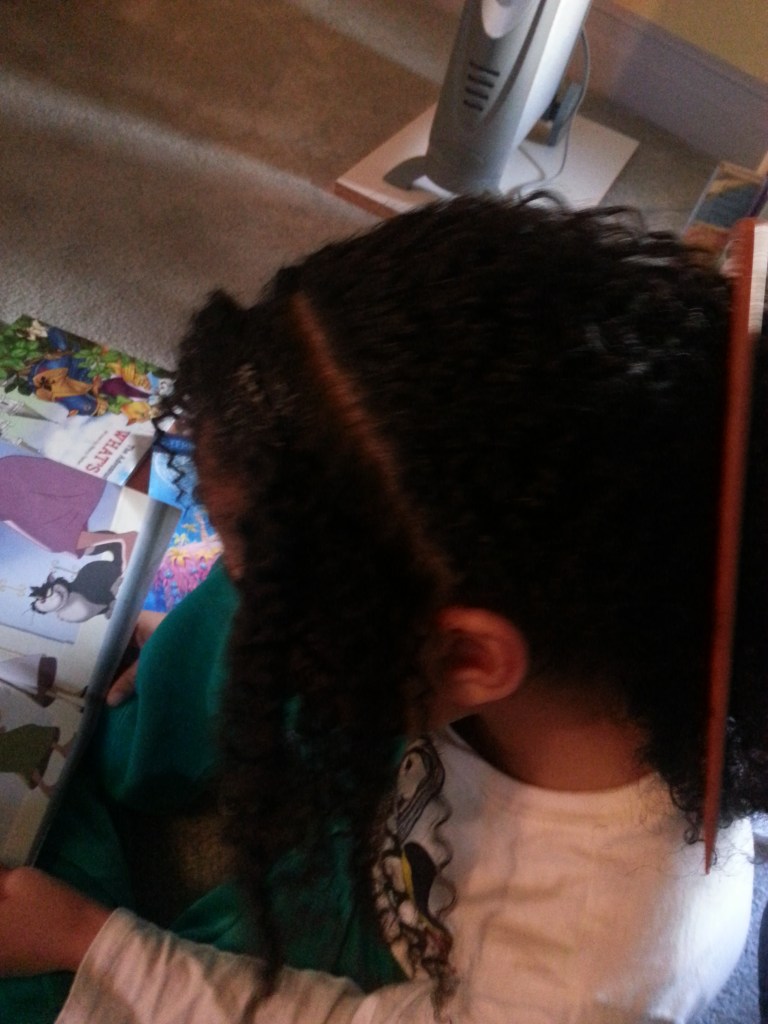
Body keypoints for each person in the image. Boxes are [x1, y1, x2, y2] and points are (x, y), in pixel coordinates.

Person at [1, 196, 767, 1023]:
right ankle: (133, 714)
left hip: (391, 959)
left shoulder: (590, 972)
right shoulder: (552, 617)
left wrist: (87, 943)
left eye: (250, 575)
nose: (228, 577)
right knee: (272, 589)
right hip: (390, 771)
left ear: (468, 659)